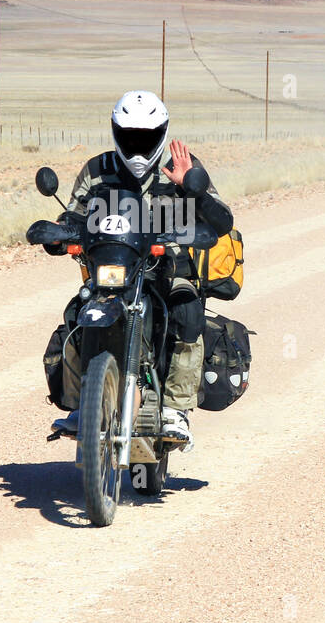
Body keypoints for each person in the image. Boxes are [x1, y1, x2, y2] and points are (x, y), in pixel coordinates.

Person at [48, 90, 233, 449]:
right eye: (129, 137)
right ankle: (79, 406)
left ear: (161, 134)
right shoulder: (97, 170)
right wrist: (59, 232)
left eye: (145, 139)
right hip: (113, 265)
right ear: (116, 133)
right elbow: (74, 213)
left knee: (187, 311)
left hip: (168, 266)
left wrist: (191, 189)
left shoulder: (184, 167)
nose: (136, 148)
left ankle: (176, 410)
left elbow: (223, 220)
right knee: (76, 313)